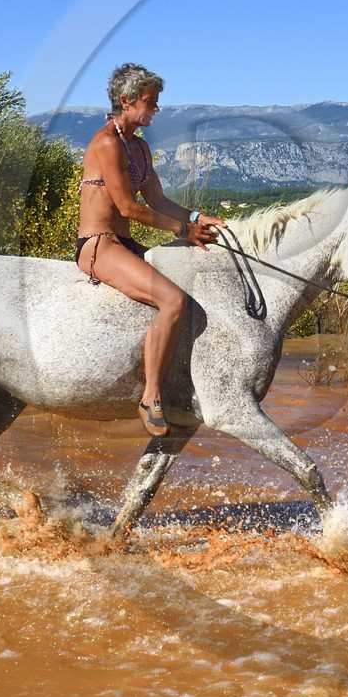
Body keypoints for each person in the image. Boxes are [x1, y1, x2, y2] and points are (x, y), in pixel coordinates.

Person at [75, 63, 225, 437]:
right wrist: (184, 230)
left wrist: (198, 217)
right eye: (150, 102)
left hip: (124, 245)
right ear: (125, 102)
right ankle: (151, 396)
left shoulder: (139, 147)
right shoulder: (107, 143)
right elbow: (128, 207)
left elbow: (156, 198)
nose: (156, 109)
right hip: (99, 246)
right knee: (173, 301)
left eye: (156, 102)